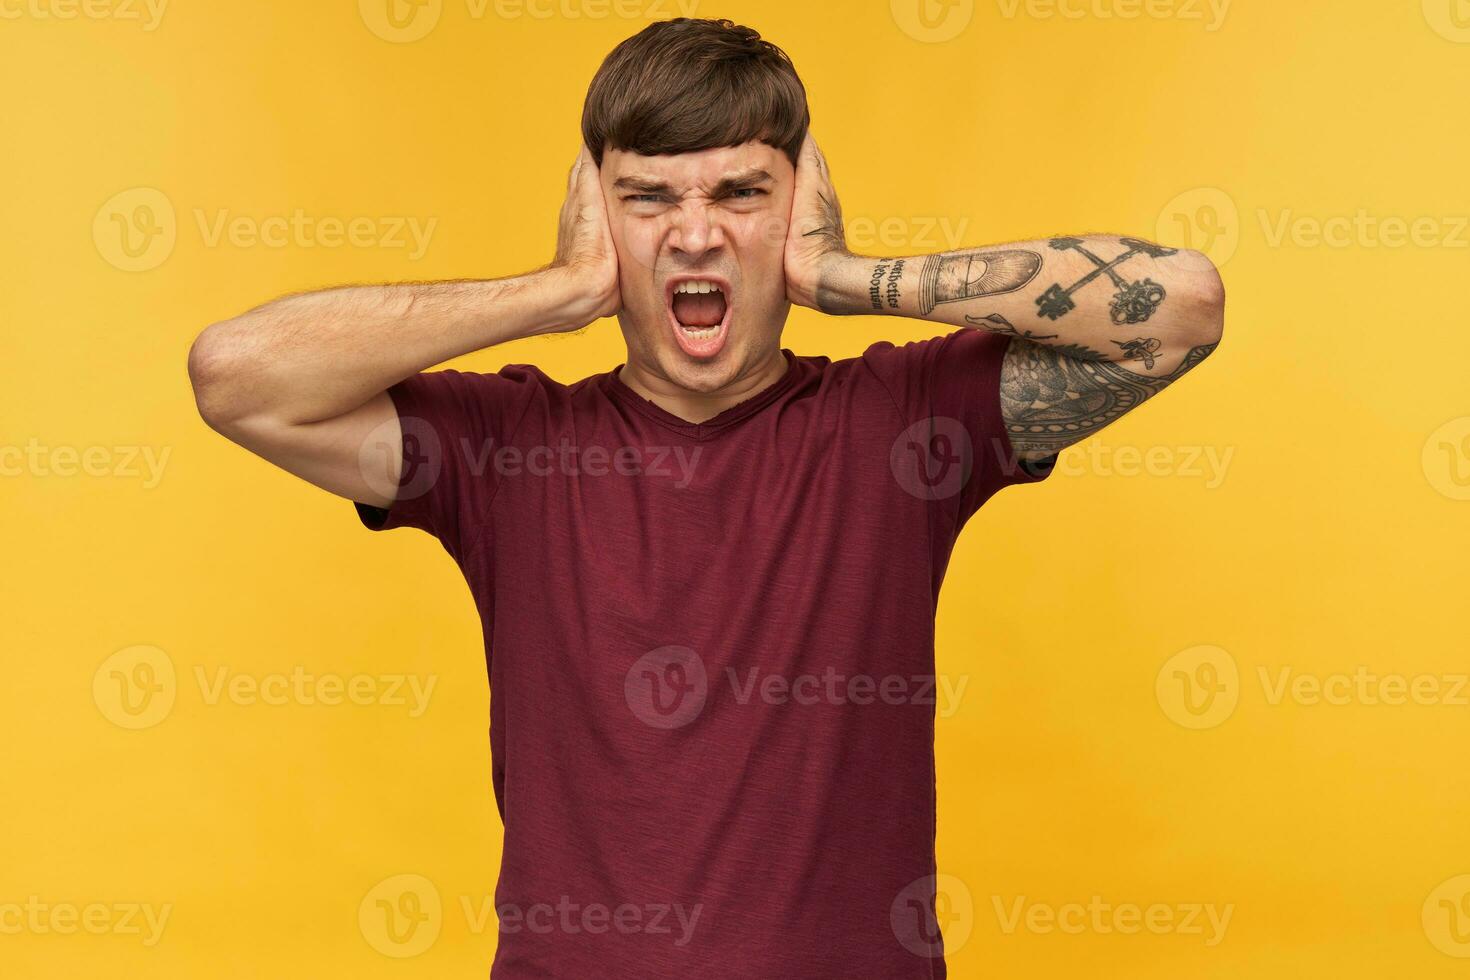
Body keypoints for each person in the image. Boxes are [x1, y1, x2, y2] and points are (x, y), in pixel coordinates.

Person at [187, 16, 1224, 979]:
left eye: (740, 194)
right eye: (648, 198)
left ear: (796, 208)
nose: (694, 234)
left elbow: (1179, 307)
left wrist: (846, 275)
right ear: (602, 218)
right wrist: (557, 291)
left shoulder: (905, 423)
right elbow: (235, 375)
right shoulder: (508, 446)